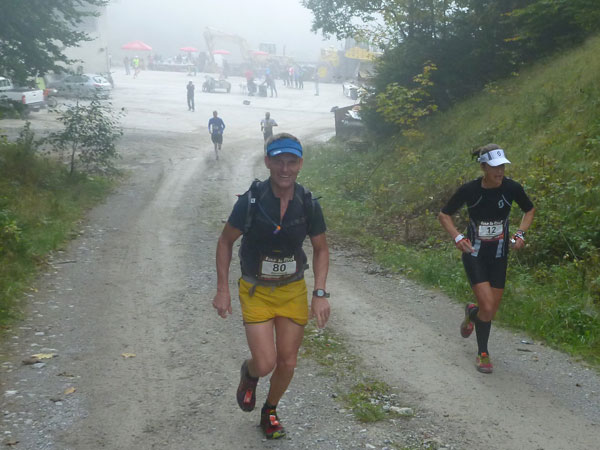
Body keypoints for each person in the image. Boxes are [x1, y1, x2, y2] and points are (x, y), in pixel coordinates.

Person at [212, 133, 330, 439]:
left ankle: (270, 411)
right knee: (265, 363)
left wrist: (319, 293)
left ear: (300, 164)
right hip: (256, 290)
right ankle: (249, 373)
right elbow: (225, 242)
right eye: (279, 161)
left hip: (292, 289)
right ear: (267, 162)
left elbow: (321, 249)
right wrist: (223, 289)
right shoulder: (251, 201)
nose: (285, 169)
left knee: (288, 361)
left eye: (291, 162)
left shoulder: (307, 203)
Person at [438, 144, 535, 374]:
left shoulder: (512, 188)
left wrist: (520, 234)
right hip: (475, 254)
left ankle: (472, 313)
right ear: (483, 167)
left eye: (502, 166)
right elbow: (444, 215)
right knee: (488, 306)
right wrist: (457, 237)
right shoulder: (470, 190)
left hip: (499, 255)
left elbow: (529, 210)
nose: (500, 171)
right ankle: (483, 354)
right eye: (494, 167)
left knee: (488, 311)